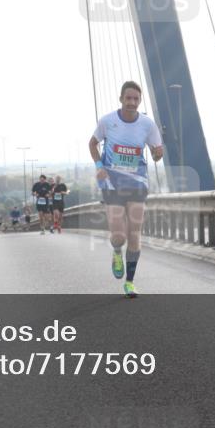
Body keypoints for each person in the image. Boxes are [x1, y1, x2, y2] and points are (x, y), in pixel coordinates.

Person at [89, 81, 163, 298]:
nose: (132, 102)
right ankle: (116, 251)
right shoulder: (107, 121)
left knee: (134, 232)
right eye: (128, 98)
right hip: (112, 183)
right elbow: (92, 144)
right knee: (119, 235)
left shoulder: (147, 125)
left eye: (136, 99)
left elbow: (157, 152)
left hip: (138, 183)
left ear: (139, 101)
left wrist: (158, 154)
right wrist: (99, 166)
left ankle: (130, 282)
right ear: (121, 99)